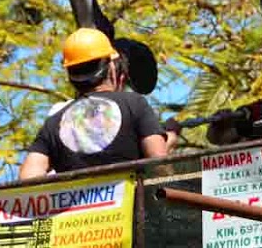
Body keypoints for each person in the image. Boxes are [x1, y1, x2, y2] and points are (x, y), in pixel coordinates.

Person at [17, 28, 174, 180]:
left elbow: (28, 178)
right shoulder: (134, 104)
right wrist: (170, 139)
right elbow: (159, 164)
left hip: (78, 208)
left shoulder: (54, 122)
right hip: (130, 205)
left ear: (71, 76)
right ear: (111, 67)